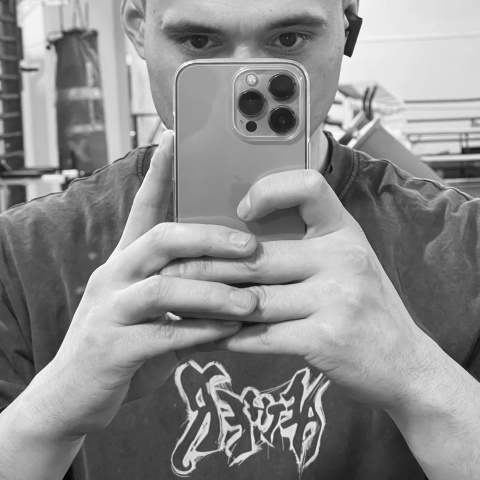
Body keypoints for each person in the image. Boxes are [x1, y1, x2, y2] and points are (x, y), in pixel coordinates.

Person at [0, 0, 479, 479]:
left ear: (346, 23)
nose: (244, 76)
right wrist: (48, 417)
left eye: (288, 39)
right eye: (198, 41)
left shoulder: (462, 243)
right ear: (138, 26)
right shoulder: (24, 253)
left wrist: (420, 380)